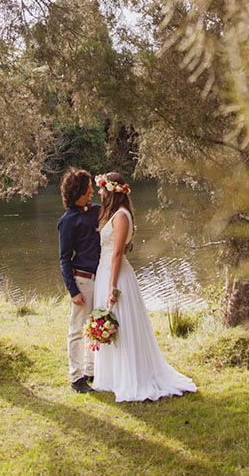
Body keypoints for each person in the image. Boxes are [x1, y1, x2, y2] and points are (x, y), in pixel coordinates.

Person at [92, 172, 197, 402]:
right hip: (104, 271)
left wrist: (112, 286)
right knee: (109, 321)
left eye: (101, 188)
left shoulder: (121, 216)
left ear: (111, 191)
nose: (99, 192)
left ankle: (132, 376)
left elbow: (118, 252)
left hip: (115, 275)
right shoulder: (111, 214)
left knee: (122, 323)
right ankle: (112, 377)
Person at [57, 169, 100, 394]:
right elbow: (64, 259)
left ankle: (92, 370)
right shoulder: (67, 222)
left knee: (96, 326)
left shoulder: (97, 212)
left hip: (101, 279)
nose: (92, 191)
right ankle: (76, 378)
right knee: (76, 330)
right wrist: (73, 291)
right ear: (79, 191)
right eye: (89, 188)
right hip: (82, 280)